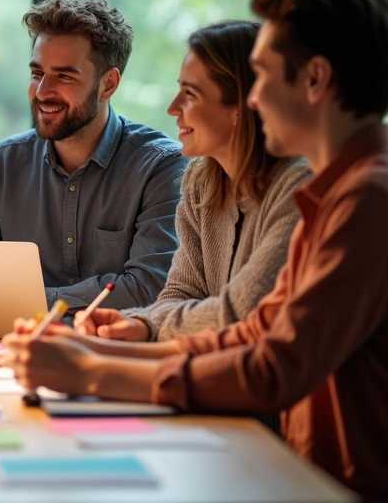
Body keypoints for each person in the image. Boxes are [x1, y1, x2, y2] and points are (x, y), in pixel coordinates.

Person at [2, 0, 388, 499]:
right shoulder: (332, 193)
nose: (253, 99)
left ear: (316, 79)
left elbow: (270, 367)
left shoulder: (367, 199)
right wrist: (93, 355)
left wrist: (91, 374)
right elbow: (251, 336)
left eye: (264, 76)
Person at [70, 21, 310, 342]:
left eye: (190, 94)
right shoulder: (201, 182)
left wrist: (147, 326)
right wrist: (141, 325)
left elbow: (240, 315)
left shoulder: (298, 188)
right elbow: (180, 293)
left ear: (243, 105)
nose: (172, 108)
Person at [0, 0, 188, 312]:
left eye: (64, 76)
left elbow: (148, 289)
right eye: (37, 73)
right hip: (9, 352)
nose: (42, 91)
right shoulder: (1, 165)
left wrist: (23, 302)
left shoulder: (161, 168)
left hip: (111, 355)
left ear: (108, 84)